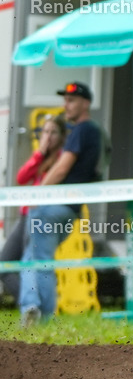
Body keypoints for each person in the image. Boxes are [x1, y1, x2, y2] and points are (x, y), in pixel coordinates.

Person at [19, 83, 105, 325]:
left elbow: (62, 167)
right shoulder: (92, 131)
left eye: (72, 100)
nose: (66, 105)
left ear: (85, 103)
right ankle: (39, 312)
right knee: (36, 259)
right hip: (70, 210)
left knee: (37, 260)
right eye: (65, 100)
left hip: (53, 207)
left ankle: (35, 309)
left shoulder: (82, 129)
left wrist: (38, 196)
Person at [1, 116, 67, 306]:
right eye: (45, 132)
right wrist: (39, 153)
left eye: (53, 132)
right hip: (25, 216)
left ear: (62, 137)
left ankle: (33, 305)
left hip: (41, 216)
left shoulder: (63, 159)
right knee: (6, 264)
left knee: (32, 263)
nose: (48, 137)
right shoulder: (40, 157)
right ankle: (32, 303)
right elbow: (22, 177)